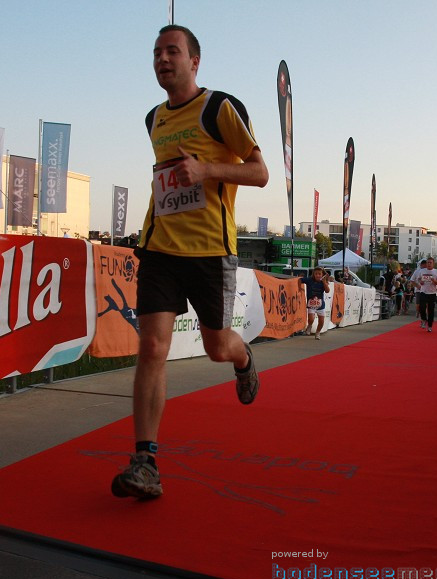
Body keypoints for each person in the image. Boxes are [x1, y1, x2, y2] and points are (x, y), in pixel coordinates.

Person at [111, 24, 269, 500]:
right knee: (152, 349)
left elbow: (259, 172)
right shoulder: (153, 118)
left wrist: (206, 170)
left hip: (209, 251)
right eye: (156, 52)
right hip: (160, 246)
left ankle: (243, 359)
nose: (162, 59)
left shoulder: (220, 108)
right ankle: (146, 462)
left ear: (194, 61)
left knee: (216, 347)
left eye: (172, 51)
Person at [299, 266, 331, 339]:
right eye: (316, 274)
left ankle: (317, 332)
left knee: (321, 321)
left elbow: (327, 291)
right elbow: (300, 280)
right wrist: (299, 289)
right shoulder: (309, 280)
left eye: (319, 274)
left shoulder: (323, 282)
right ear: (313, 274)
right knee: (311, 319)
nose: (318, 275)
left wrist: (324, 282)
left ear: (322, 275)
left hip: (320, 305)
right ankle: (309, 326)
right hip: (311, 304)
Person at [411, 257, 437, 332]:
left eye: (430, 263)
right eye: (427, 262)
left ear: (433, 264)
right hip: (423, 291)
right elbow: (418, 279)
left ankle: (430, 325)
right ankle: (424, 319)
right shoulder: (422, 271)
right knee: (422, 307)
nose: (428, 264)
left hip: (432, 293)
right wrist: (420, 282)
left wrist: (434, 281)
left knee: (431, 310)